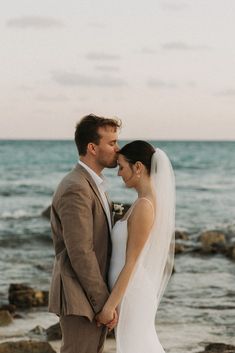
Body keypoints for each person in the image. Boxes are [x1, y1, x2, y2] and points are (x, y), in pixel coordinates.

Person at [48, 114, 121, 353]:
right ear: (92, 147)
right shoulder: (75, 188)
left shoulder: (95, 185)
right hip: (80, 298)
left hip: (91, 297)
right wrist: (103, 304)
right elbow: (80, 252)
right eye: (111, 143)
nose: (117, 149)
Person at [96, 140, 175, 353]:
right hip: (128, 292)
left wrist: (109, 306)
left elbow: (131, 263)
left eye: (122, 167)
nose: (119, 173)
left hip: (133, 294)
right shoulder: (141, 202)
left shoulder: (144, 207)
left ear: (138, 167)